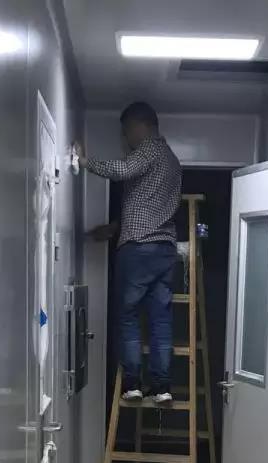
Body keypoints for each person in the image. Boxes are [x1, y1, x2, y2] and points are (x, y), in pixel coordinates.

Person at [75, 102, 181, 405]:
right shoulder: (171, 160)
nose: (126, 139)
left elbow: (121, 170)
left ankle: (133, 384)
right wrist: (114, 228)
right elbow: (148, 205)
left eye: (126, 131)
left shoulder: (148, 149)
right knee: (160, 320)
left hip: (138, 248)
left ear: (139, 126)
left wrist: (83, 161)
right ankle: (161, 388)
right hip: (164, 250)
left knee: (128, 316)